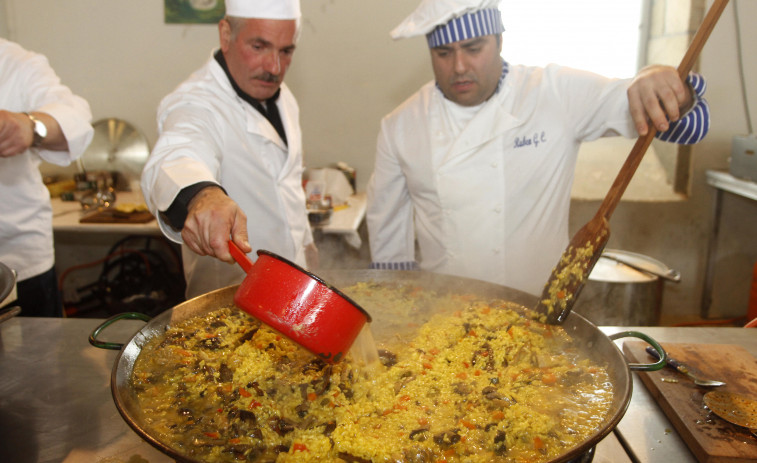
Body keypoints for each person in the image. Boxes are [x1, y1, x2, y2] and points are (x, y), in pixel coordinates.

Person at [366, 0, 710, 296]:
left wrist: (656, 81)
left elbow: (687, 126)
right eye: (443, 53)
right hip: (444, 318)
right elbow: (389, 254)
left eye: (473, 49)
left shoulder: (553, 93)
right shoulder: (400, 126)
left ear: (499, 41)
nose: (459, 67)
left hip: (537, 314)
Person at [141, 0, 317, 299]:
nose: (274, 67)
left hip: (295, 290)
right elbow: (177, 154)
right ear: (225, 34)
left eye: (285, 51)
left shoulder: (283, 97)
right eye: (259, 47)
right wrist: (202, 196)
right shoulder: (195, 102)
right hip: (228, 303)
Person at [0, 38, 94, 317]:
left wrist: (30, 126)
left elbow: (74, 116)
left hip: (17, 260)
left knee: (29, 359)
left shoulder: (15, 63)